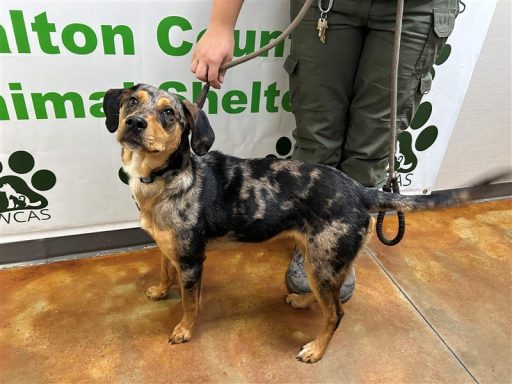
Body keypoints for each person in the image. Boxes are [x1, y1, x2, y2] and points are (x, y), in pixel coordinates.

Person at [191, 0, 458, 302]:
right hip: (326, 6)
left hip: (414, 9)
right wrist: (221, 26)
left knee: (373, 144)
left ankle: (337, 246)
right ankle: (309, 239)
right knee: (316, 140)